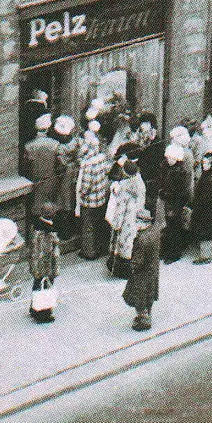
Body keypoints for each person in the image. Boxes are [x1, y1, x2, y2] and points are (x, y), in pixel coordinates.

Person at [75, 128, 113, 261]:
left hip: (89, 201)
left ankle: (89, 252)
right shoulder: (101, 159)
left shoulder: (87, 165)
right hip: (100, 197)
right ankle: (101, 247)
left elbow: (85, 186)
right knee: (98, 224)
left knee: (88, 227)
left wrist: (80, 194)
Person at [106, 159, 146, 279]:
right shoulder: (139, 182)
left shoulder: (124, 187)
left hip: (125, 222)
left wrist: (115, 223)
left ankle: (121, 271)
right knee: (131, 244)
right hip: (135, 219)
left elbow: (120, 209)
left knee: (122, 245)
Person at [122, 210, 158, 331]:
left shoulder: (142, 239)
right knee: (149, 295)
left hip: (141, 275)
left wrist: (130, 266)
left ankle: (143, 320)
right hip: (152, 271)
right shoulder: (154, 233)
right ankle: (148, 314)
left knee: (140, 299)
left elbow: (138, 261)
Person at [22, 113, 61, 224]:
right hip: (51, 180)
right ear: (47, 129)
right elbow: (59, 164)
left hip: (35, 180)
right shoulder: (55, 144)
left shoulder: (29, 146)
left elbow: (25, 165)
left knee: (36, 208)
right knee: (49, 209)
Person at [159, 143, 193, 265]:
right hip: (169, 202)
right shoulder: (168, 168)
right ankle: (170, 250)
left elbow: (181, 192)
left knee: (175, 229)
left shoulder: (180, 172)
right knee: (170, 228)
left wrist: (175, 206)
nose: (169, 160)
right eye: (168, 157)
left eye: (172, 158)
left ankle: (174, 253)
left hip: (175, 204)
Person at [28, 203, 61, 324]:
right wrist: (49, 271)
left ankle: (34, 308)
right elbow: (46, 253)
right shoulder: (47, 232)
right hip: (45, 268)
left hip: (37, 265)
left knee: (37, 287)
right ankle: (43, 313)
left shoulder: (36, 226)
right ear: (51, 214)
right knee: (45, 289)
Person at [190, 152, 212, 263]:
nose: (204, 165)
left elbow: (206, 197)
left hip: (207, 210)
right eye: (203, 163)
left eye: (207, 163)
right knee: (208, 231)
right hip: (210, 209)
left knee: (205, 232)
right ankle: (210, 253)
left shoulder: (211, 178)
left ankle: (206, 256)